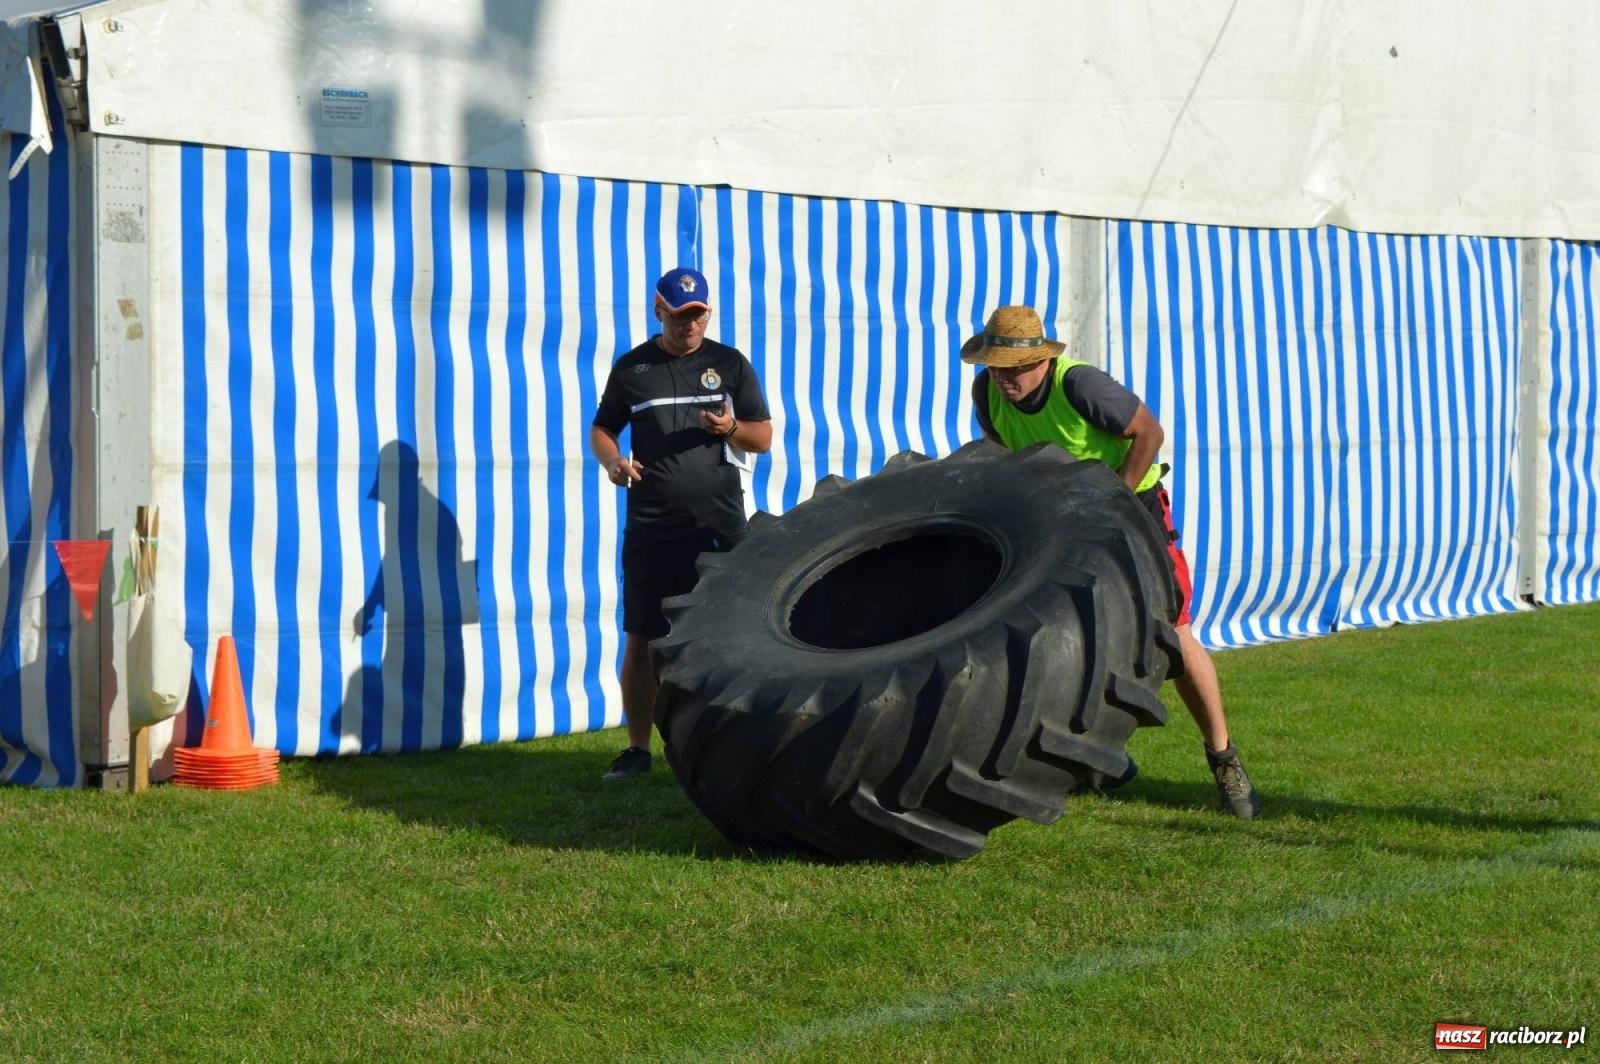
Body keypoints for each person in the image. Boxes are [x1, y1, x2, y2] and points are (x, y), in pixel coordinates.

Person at [962, 304, 1260, 818]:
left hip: (1134, 510)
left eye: (1014, 368)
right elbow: (1006, 456)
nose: (1004, 378)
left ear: (1042, 361)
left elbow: (1150, 433)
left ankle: (1224, 758)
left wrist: (1116, 500)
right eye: (995, 367)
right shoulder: (986, 394)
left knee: (1176, 635)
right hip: (1061, 521)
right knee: (1060, 638)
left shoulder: (1082, 386)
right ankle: (1084, 759)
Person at [589, 266, 773, 780]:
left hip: (721, 524)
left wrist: (731, 427)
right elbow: (602, 429)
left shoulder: (729, 363)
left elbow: (763, 437)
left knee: (739, 633)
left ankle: (743, 741)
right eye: (679, 316)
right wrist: (612, 463)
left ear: (707, 312)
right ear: (659, 311)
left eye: (697, 316)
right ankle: (637, 750)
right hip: (652, 526)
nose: (689, 326)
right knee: (644, 639)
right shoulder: (633, 368)